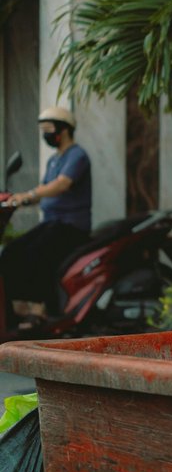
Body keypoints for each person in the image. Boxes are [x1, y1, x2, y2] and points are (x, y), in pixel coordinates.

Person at [0, 106, 92, 328]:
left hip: (71, 226)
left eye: (49, 129)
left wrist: (30, 195)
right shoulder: (53, 160)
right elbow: (44, 188)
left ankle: (39, 311)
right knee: (10, 253)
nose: (46, 135)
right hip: (51, 224)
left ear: (64, 130)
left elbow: (61, 184)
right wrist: (19, 198)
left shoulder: (77, 155)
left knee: (36, 254)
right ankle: (16, 311)